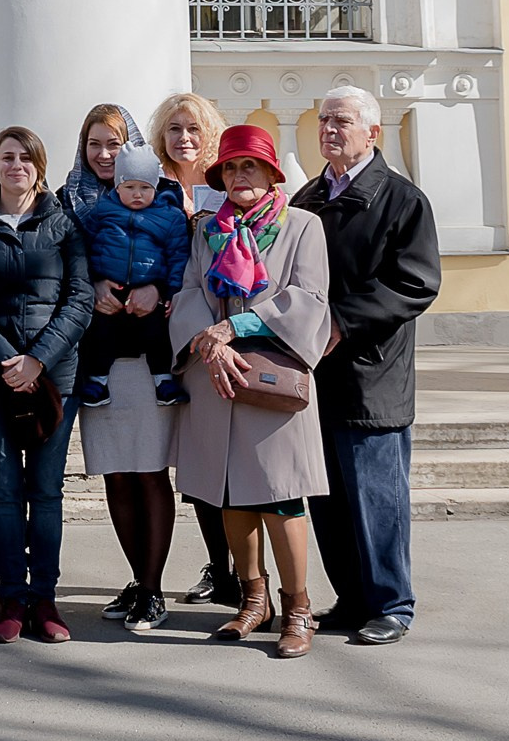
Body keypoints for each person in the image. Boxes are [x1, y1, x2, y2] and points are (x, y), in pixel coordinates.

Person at [169, 122, 333, 661]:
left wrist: (232, 330)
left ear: (270, 174)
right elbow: (190, 291)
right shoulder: (206, 230)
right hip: (217, 374)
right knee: (228, 491)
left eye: (250, 166)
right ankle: (252, 599)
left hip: (271, 379)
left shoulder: (302, 225)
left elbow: (308, 298)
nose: (240, 176)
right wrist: (209, 343)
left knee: (282, 495)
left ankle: (298, 608)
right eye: (231, 167)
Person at [294, 85, 441, 646]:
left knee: (377, 495)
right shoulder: (309, 198)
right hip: (314, 372)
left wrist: (339, 322)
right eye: (324, 119)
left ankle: (391, 603)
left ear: (372, 133)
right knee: (327, 496)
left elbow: (414, 282)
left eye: (343, 121)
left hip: (371, 370)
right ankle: (352, 597)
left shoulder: (402, 200)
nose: (330, 129)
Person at [0, 125, 92, 643]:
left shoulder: (62, 224)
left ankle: (45, 599)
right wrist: (10, 359)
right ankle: (11, 595)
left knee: (45, 491)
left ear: (40, 166)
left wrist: (38, 361)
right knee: (3, 489)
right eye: (7, 157)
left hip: (54, 380)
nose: (16, 166)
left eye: (26, 158)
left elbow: (79, 300)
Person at [67, 103, 179, 632]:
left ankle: (154, 588)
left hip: (146, 357)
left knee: (150, 470)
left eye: (114, 143)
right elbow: (64, 262)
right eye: (94, 144)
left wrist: (162, 288)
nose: (104, 154)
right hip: (97, 356)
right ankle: (138, 578)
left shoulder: (166, 200)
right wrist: (90, 288)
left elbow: (184, 261)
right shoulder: (72, 203)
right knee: (116, 472)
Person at [149, 90, 236, 610]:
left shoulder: (227, 188)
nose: (185, 138)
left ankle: (239, 570)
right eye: (176, 129)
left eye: (194, 130)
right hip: (157, 336)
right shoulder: (150, 187)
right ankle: (216, 564)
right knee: (193, 460)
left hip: (214, 334)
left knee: (224, 455)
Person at [74, 141, 192, 405]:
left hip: (149, 286)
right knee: (100, 331)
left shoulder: (169, 216)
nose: (137, 194)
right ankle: (97, 382)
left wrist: (171, 292)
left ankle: (163, 380)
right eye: (129, 187)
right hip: (111, 287)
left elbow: (177, 256)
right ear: (118, 186)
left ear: (155, 186)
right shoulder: (103, 211)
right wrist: (93, 280)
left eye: (145, 187)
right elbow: (86, 247)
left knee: (158, 333)